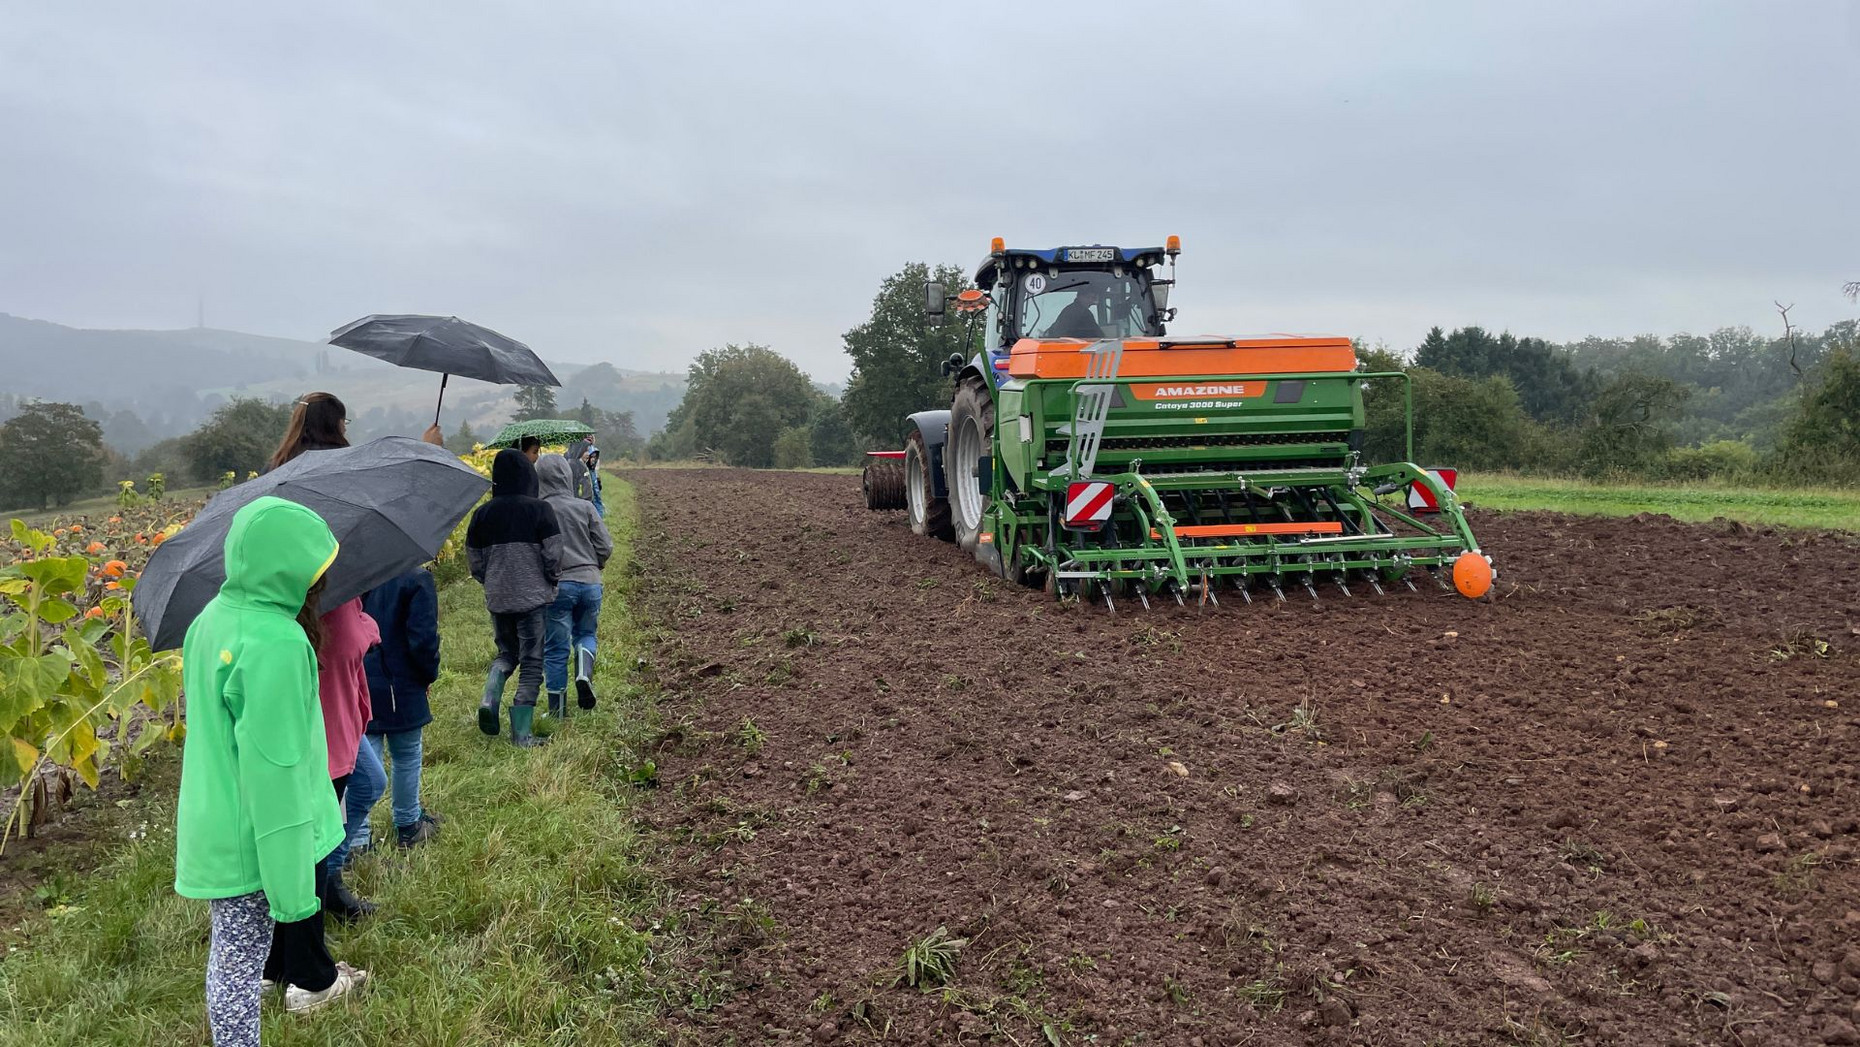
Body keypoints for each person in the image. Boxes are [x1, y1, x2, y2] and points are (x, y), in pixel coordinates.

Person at [174, 497, 367, 1043]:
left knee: (233, 961)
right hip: (258, 840)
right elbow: (276, 773)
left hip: (217, 824)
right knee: (238, 968)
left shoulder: (211, 619)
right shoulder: (277, 643)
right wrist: (292, 893)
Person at [468, 448, 562, 747]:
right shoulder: (540, 510)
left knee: (506, 654)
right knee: (532, 663)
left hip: (498, 598)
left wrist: (492, 581)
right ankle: (521, 735)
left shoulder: (481, 514)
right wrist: (550, 580)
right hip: (532, 599)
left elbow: (475, 562)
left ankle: (489, 698)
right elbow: (554, 555)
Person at [361, 567, 443, 847]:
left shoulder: (353, 577)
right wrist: (427, 675)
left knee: (363, 758)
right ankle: (408, 824)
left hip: (359, 680)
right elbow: (423, 639)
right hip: (402, 683)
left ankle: (358, 838)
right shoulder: (416, 578)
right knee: (407, 754)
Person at [313, 596, 382, 920]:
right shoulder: (322, 599)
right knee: (327, 812)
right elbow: (346, 643)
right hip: (328, 719)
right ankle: (325, 884)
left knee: (368, 783)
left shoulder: (342, 590)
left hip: (343, 713)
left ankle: (330, 876)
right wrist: (368, 628)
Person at [535, 456, 611, 717]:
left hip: (557, 586)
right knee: (586, 634)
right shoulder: (585, 507)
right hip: (590, 582)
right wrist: (595, 565)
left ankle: (557, 711)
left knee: (555, 648)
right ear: (567, 476)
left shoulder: (538, 510)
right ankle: (583, 672)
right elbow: (605, 545)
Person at [267, 392, 441, 473]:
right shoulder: (344, 465)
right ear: (337, 424)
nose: (345, 428)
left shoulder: (275, 467)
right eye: (344, 422)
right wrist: (429, 450)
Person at [581, 444, 606, 518]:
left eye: (595, 457)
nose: (593, 459)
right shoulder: (584, 470)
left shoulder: (593, 470)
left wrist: (598, 482)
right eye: (591, 457)